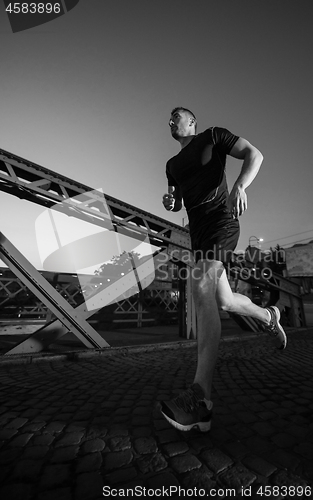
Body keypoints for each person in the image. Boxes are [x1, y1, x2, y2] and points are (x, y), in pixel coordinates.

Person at [160, 107, 287, 432]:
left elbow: (254, 155)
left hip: (221, 219)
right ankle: (268, 316)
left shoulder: (212, 136)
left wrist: (241, 186)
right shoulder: (171, 166)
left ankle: (201, 399)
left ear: (192, 122)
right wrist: (170, 203)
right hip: (198, 232)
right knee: (224, 300)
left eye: (177, 116)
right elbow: (176, 200)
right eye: (170, 118)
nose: (172, 120)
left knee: (199, 284)